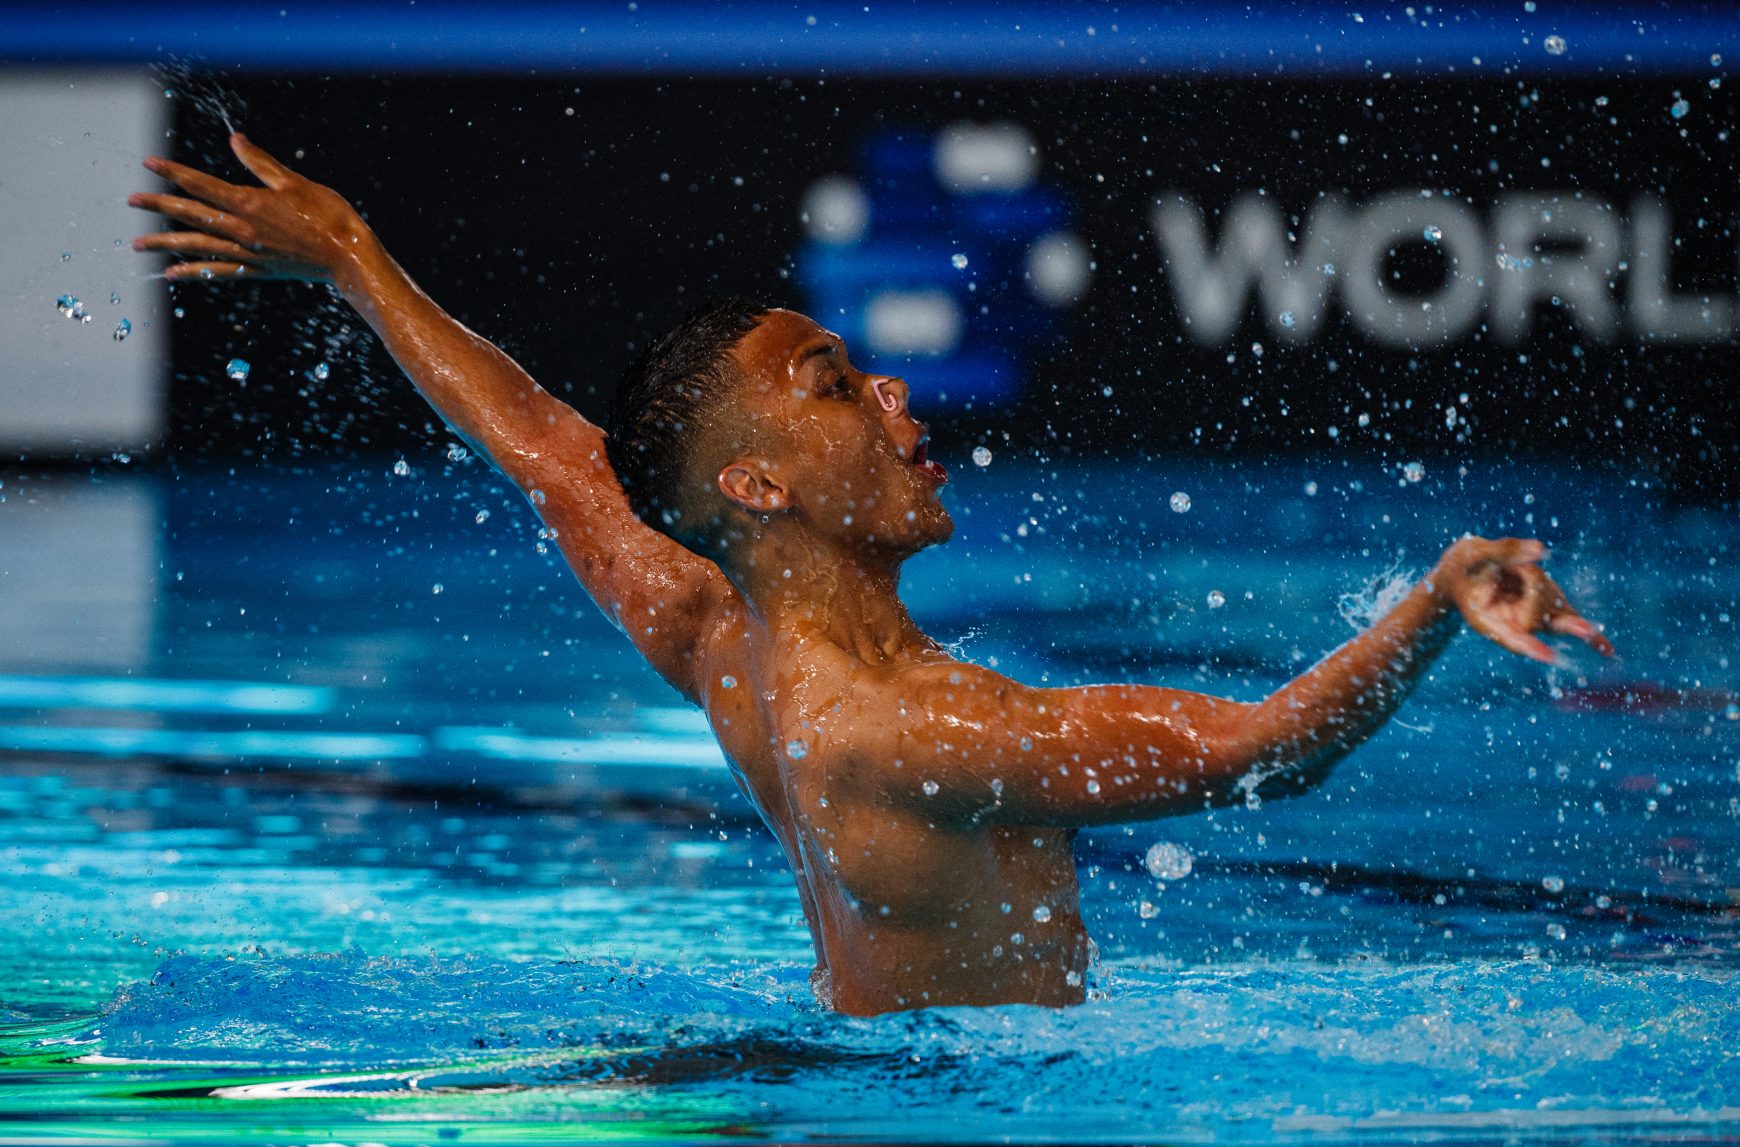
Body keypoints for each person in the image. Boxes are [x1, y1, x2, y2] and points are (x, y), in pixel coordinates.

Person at [130, 133, 1614, 1017]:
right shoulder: (909, 732)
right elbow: (1258, 750)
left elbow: (547, 448)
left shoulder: (727, 639)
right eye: (836, 387)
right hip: (967, 1141)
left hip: (869, 1091)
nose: (896, 397)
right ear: (755, 484)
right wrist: (1434, 604)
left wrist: (349, 255)